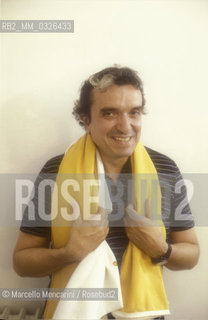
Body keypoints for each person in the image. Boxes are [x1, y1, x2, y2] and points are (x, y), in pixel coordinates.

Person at [13, 66, 200, 320]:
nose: (125, 127)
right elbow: (22, 263)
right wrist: (69, 253)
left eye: (134, 112)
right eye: (109, 113)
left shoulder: (164, 169)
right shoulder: (57, 171)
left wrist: (160, 249)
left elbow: (191, 255)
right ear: (85, 119)